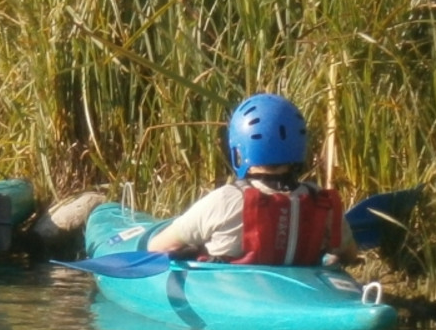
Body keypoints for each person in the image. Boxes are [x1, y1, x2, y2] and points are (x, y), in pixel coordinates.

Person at [147, 93, 359, 265]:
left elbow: (157, 247)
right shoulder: (324, 204)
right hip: (299, 294)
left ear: (239, 149)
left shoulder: (224, 200)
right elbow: (349, 255)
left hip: (233, 297)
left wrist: (191, 250)